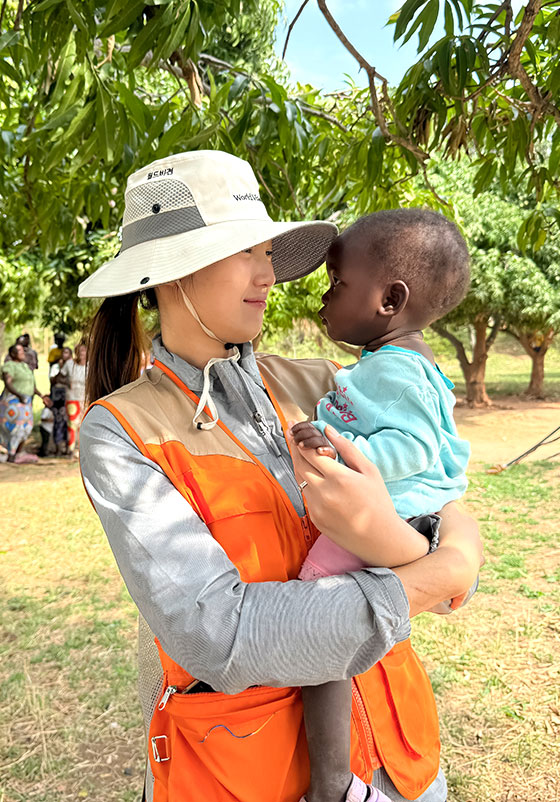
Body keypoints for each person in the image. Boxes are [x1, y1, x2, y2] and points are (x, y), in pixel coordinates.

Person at [77, 151, 482, 802]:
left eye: (268, 251)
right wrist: (436, 573)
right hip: (250, 775)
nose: (270, 274)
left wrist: (427, 553)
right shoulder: (122, 431)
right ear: (173, 271)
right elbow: (223, 635)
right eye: (247, 251)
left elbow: (442, 497)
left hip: (398, 757)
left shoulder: (320, 381)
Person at [291, 209, 472, 802]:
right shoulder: (389, 364)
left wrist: (346, 454)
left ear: (390, 299)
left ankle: (331, 782)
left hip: (387, 517)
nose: (324, 296)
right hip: (405, 521)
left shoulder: (395, 370)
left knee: (315, 625)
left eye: (337, 283)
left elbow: (415, 446)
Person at [0, 343, 50, 463]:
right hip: (13, 402)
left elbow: (31, 385)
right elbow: (8, 382)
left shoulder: (25, 366)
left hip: (26, 403)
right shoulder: (9, 366)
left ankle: (16, 453)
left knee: (26, 428)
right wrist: (19, 395)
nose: (23, 354)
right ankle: (11, 453)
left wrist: (41, 395)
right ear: (13, 354)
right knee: (16, 428)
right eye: (20, 352)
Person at [60, 342, 87, 456]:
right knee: (72, 423)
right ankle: (71, 449)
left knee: (84, 424)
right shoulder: (69, 364)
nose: (81, 353)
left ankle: (82, 451)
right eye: (79, 351)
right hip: (72, 398)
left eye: (84, 351)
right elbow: (58, 378)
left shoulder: (91, 366)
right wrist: (66, 382)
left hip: (86, 399)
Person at [49, 346, 72, 456]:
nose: (64, 355)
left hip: (70, 397)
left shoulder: (73, 366)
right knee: (58, 420)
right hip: (58, 396)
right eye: (63, 353)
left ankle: (68, 447)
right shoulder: (56, 367)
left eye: (67, 353)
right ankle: (58, 448)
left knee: (69, 422)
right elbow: (54, 380)